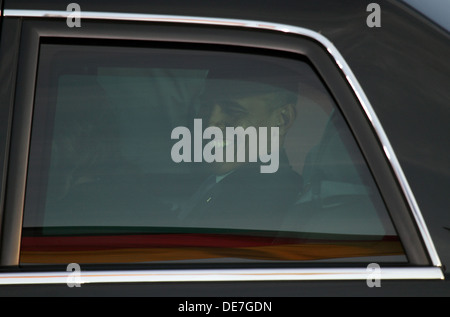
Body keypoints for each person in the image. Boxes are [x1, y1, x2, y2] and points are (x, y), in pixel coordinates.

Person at [177, 77, 302, 231]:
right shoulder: (226, 183)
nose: (210, 122)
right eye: (205, 106)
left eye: (233, 111)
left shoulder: (263, 205)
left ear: (283, 119)